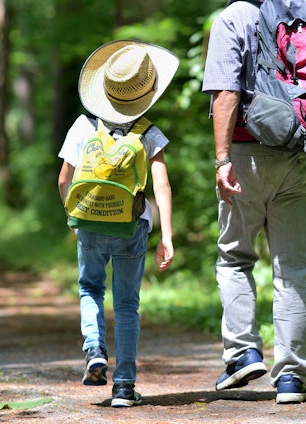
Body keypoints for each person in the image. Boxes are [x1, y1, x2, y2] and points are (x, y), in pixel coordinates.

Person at [202, 0, 306, 404]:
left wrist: (221, 159)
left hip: (248, 152)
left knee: (235, 257)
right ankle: (291, 377)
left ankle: (242, 354)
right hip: (300, 152)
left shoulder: (232, 19)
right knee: (293, 268)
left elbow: (226, 93)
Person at [57, 39, 178, 408]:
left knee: (90, 288)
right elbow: (162, 186)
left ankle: (95, 350)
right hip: (132, 225)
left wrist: (73, 216)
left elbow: (64, 180)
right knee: (126, 305)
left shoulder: (83, 126)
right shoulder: (149, 133)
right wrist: (167, 235)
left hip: (90, 223)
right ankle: (124, 386)